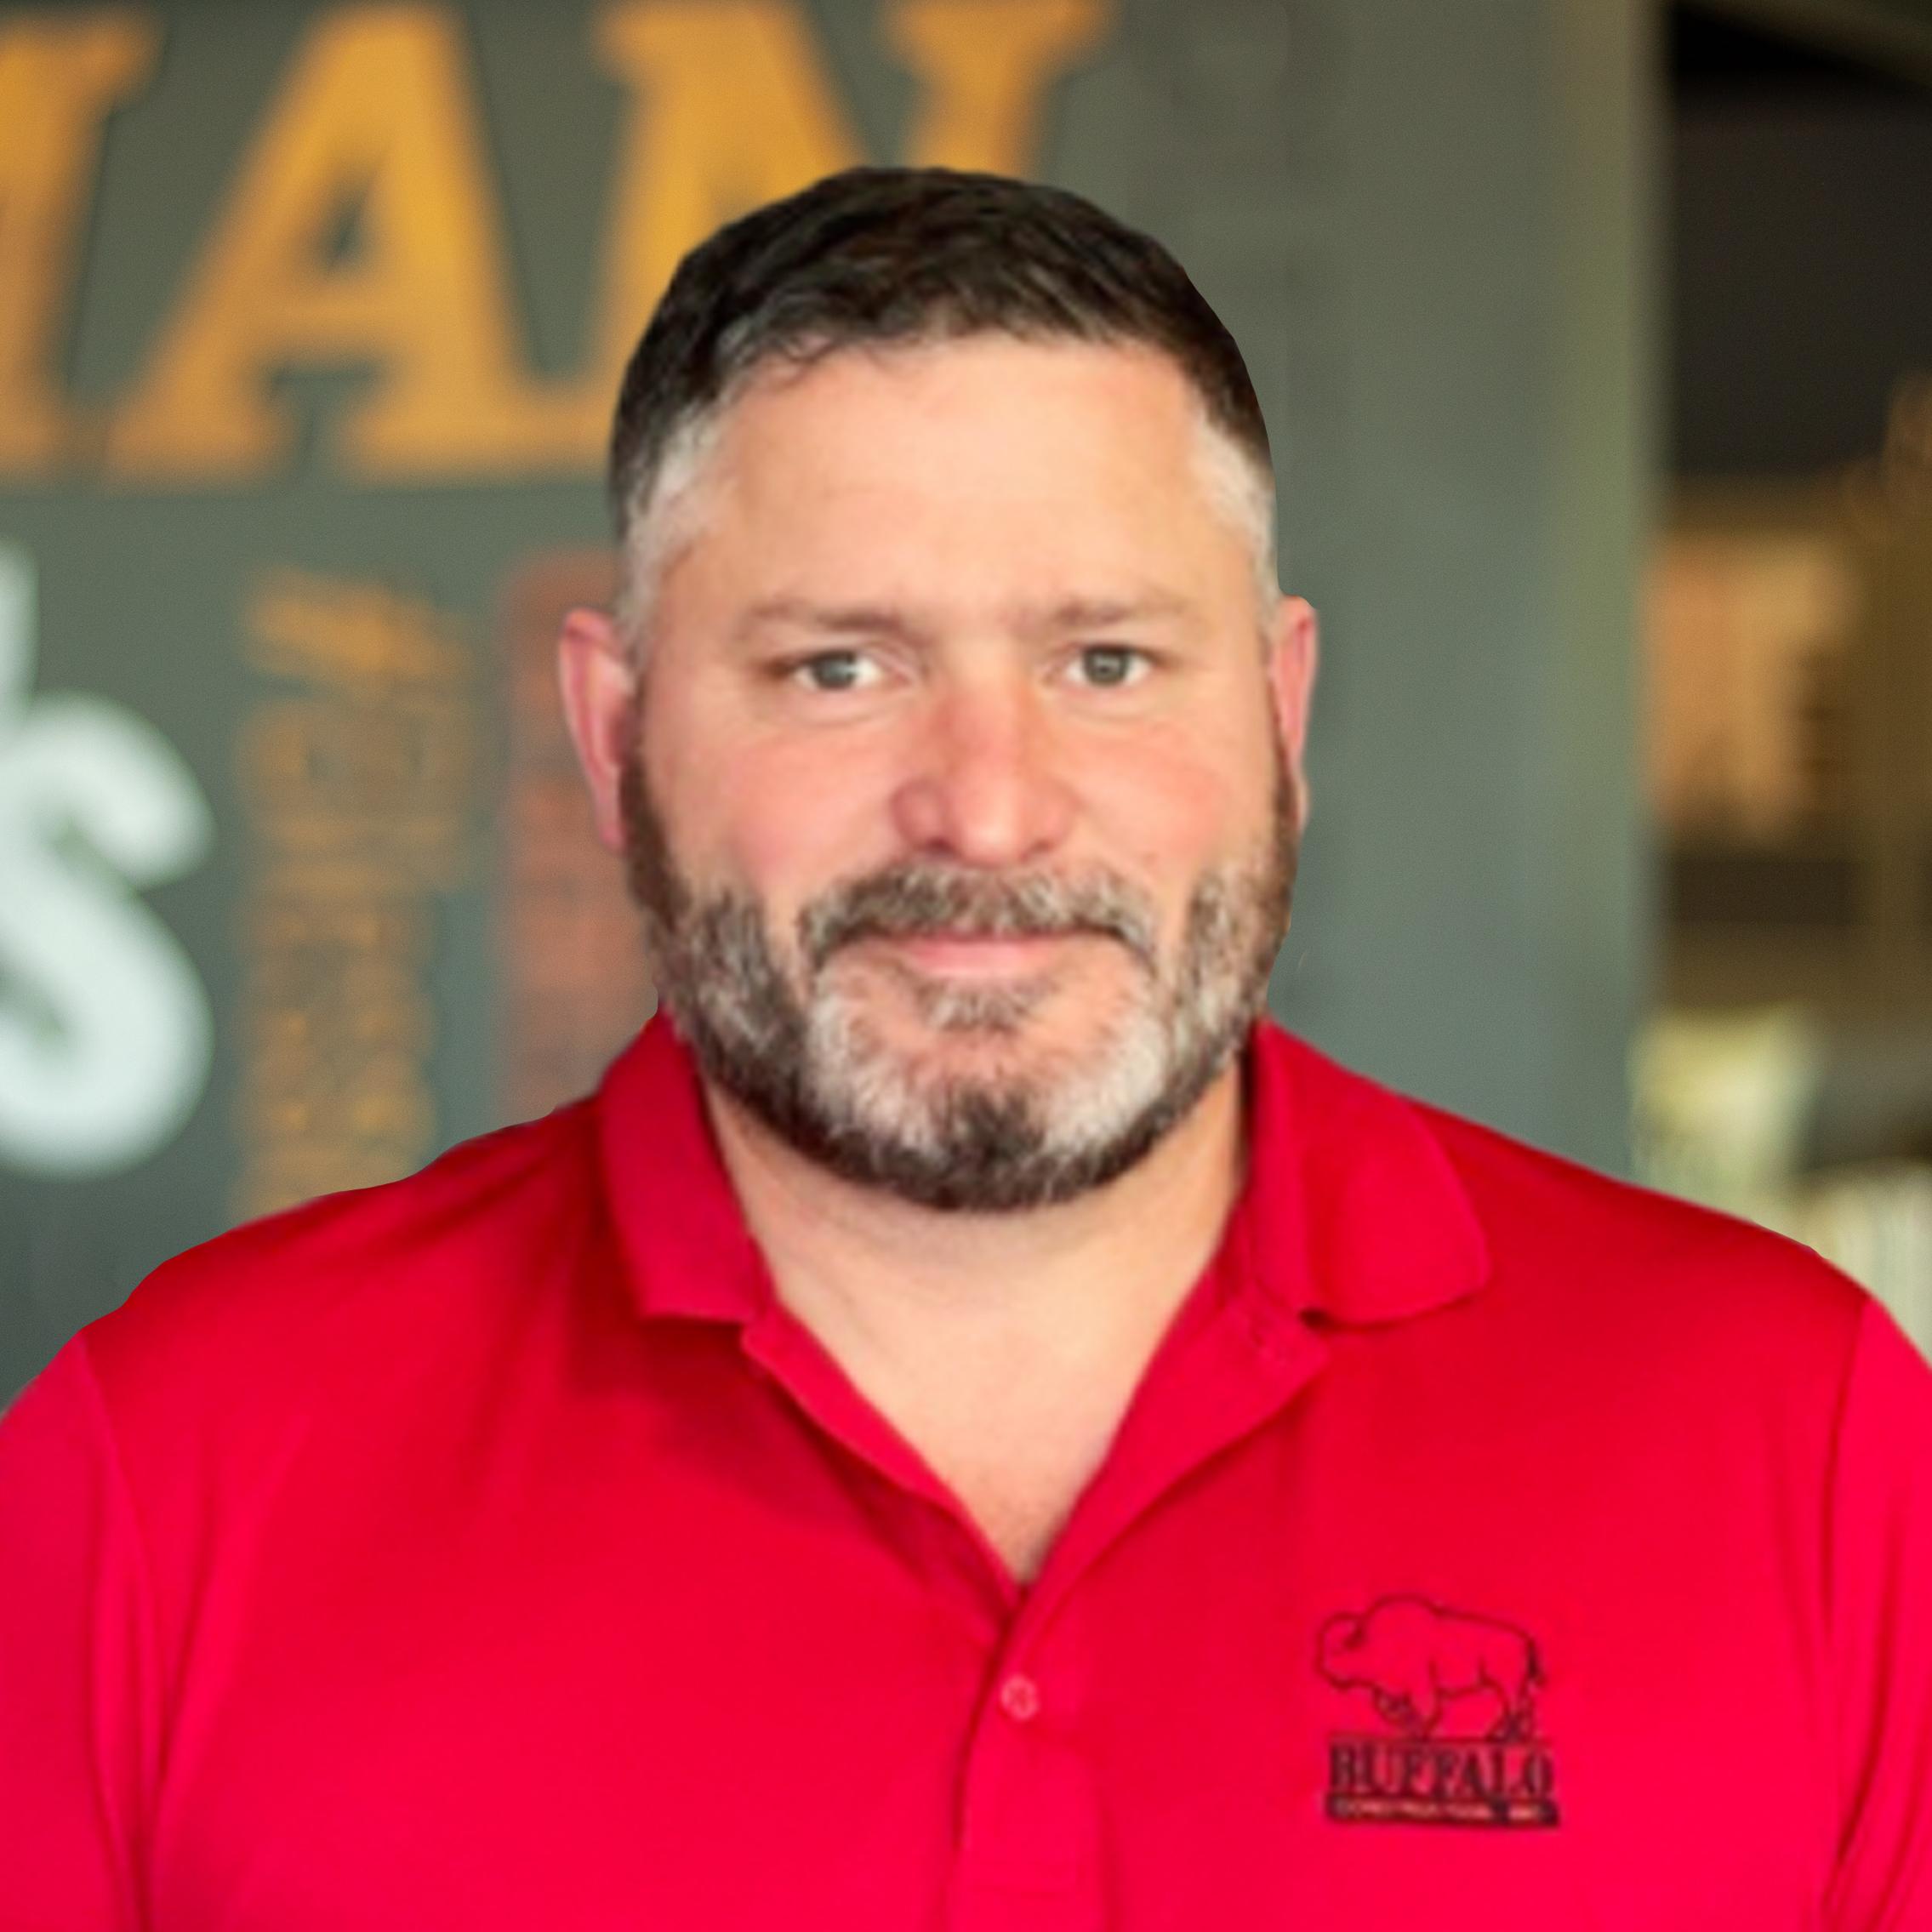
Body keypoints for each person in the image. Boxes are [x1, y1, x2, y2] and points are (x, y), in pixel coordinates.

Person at [0, 165, 1927, 1931]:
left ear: (1279, 715)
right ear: (611, 733)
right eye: (839, 667)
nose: (988, 813)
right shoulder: (167, 1480)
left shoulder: (1800, 1439)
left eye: (1104, 661)